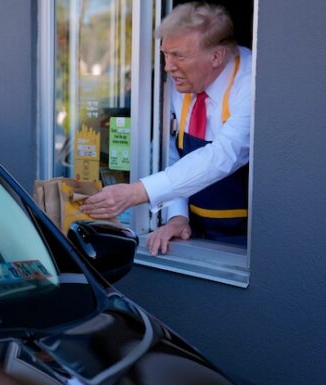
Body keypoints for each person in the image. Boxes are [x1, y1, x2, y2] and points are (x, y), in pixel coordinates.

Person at [81, 2, 252, 255]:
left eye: (179, 56)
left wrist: (136, 193)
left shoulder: (252, 83)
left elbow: (223, 155)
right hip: (194, 234)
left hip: (243, 242)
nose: (167, 67)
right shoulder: (183, 80)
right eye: (165, 54)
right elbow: (172, 148)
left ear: (216, 57)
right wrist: (177, 216)